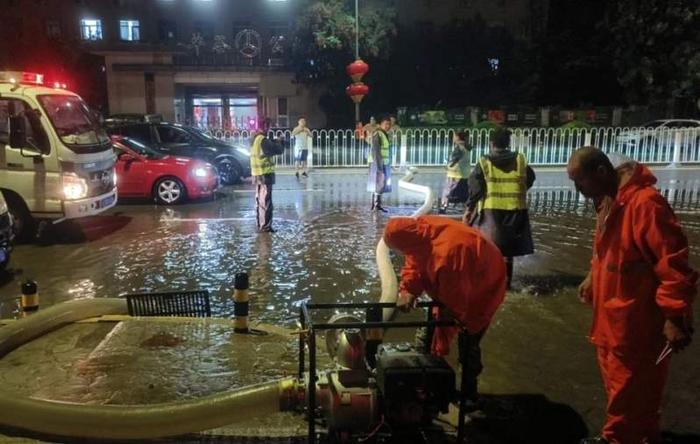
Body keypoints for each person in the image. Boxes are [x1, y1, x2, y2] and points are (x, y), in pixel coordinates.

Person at [567, 147, 697, 444]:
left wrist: (675, 318)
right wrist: (592, 276)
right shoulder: (609, 201)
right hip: (612, 320)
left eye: (581, 181)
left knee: (630, 390)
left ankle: (617, 439)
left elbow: (673, 265)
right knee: (624, 389)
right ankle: (642, 436)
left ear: (601, 172)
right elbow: (605, 250)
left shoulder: (645, 206)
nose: (578, 189)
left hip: (636, 324)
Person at [384, 215, 507, 405]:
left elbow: (454, 307)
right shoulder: (419, 231)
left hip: (484, 286)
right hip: (466, 271)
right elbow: (414, 260)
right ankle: (423, 380)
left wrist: (438, 345)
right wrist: (408, 290)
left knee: (468, 340)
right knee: (429, 331)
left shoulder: (448, 256)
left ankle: (468, 395)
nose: (401, 253)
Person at [463, 128, 535, 289]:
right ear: (508, 143)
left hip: (491, 212)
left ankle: (490, 285)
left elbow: (476, 189)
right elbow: (530, 179)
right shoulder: (521, 160)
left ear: (491, 143)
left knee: (488, 249)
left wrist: (468, 211)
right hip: (516, 210)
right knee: (508, 252)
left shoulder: (484, 162)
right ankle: (506, 285)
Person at [249, 129, 285, 233]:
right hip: (265, 174)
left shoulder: (254, 140)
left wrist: (274, 141)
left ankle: (261, 224)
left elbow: (268, 148)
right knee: (266, 201)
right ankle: (266, 227)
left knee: (260, 201)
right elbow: (277, 150)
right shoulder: (262, 140)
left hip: (257, 173)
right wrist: (280, 141)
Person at [439, 131, 471, 214]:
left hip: (454, 176)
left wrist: (448, 166)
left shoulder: (459, 148)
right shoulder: (466, 147)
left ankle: (443, 210)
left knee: (447, 194)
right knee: (465, 196)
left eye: (454, 136)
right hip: (465, 175)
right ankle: (467, 213)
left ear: (457, 137)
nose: (453, 138)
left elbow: (455, 160)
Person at [367, 115, 392, 212]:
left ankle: (377, 205)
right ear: (381, 124)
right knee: (378, 183)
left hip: (382, 162)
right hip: (377, 163)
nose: (387, 126)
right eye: (386, 124)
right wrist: (379, 166)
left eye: (389, 124)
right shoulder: (378, 134)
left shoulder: (383, 134)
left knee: (380, 183)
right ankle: (375, 205)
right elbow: (376, 151)